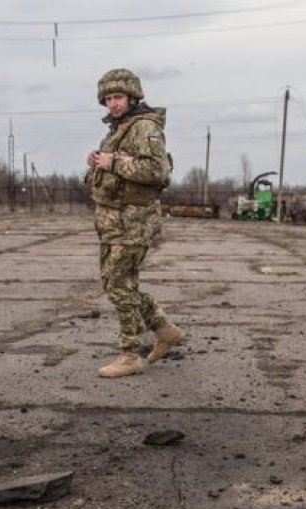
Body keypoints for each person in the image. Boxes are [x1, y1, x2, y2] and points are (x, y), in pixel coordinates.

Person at [85, 68, 184, 378]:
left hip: (133, 222)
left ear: (132, 97)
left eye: (118, 97)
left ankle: (130, 354)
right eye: (108, 99)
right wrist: (98, 163)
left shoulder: (144, 126)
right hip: (115, 222)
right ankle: (164, 330)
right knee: (119, 284)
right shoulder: (120, 129)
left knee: (117, 285)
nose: (112, 104)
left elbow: (158, 172)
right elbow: (119, 171)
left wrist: (112, 161)